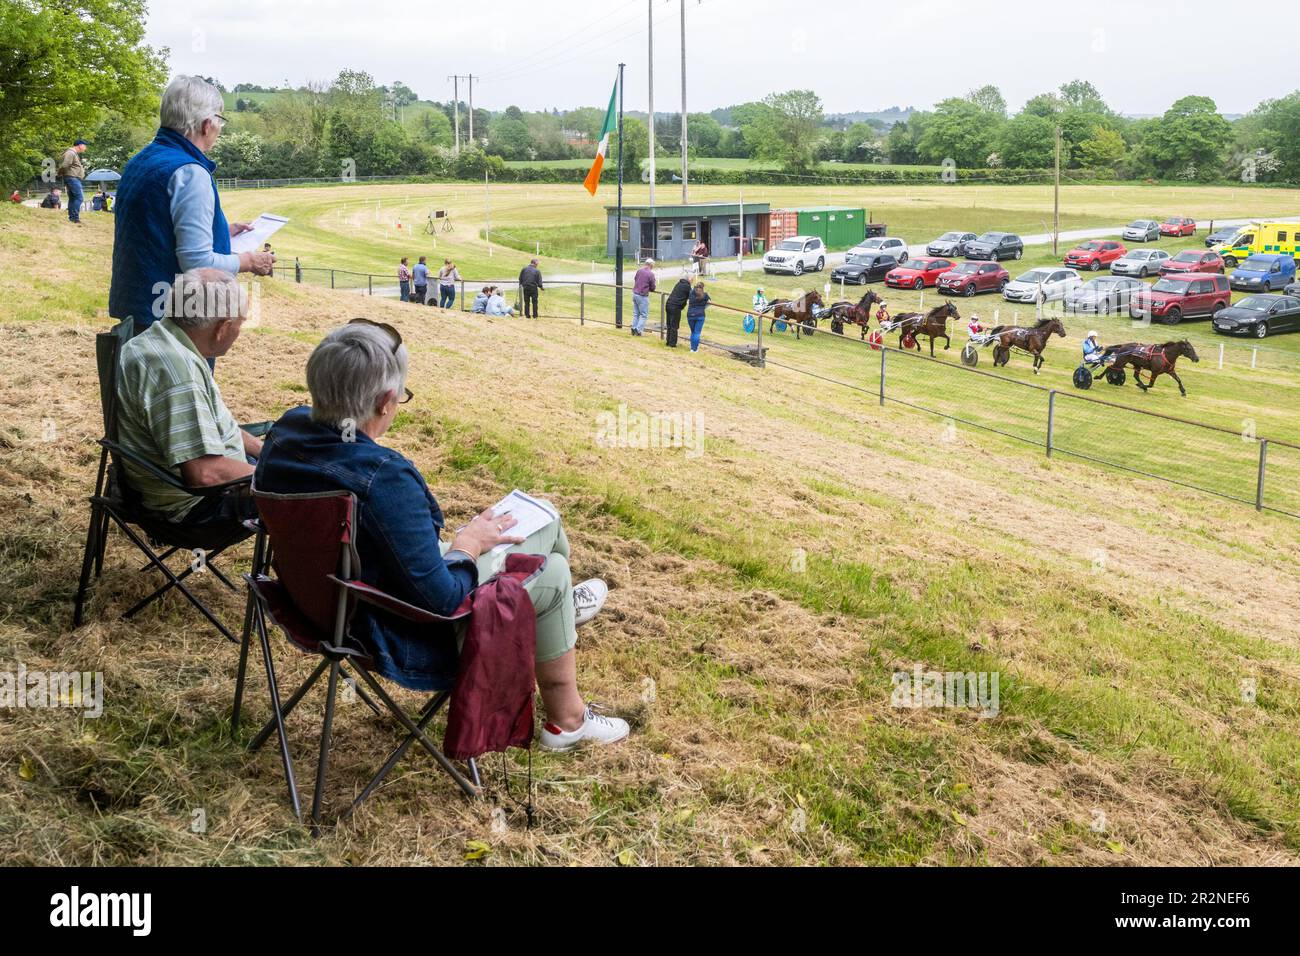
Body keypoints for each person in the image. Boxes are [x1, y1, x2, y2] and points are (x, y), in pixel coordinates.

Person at [253, 321, 629, 751]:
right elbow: (444, 601)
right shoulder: (382, 478)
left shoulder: (287, 433)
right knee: (554, 570)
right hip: (395, 633)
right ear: (385, 402)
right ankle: (568, 720)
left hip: (323, 603)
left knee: (545, 520)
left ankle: (550, 620)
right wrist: (467, 545)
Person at [109, 75, 274, 337]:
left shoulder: (142, 160)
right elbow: (197, 262)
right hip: (171, 326)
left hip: (138, 312)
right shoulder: (189, 172)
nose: (219, 129)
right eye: (220, 121)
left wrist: (223, 231)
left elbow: (156, 227)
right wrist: (249, 261)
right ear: (207, 125)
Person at [115, 268, 263, 530]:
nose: (239, 331)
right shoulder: (177, 373)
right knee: (314, 496)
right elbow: (204, 475)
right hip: (196, 508)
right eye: (240, 323)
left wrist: (267, 454)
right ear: (222, 328)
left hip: (207, 484)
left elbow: (214, 424)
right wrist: (280, 477)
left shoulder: (163, 338)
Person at [58, 139, 88, 224]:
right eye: (85, 145)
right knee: (79, 198)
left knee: (73, 198)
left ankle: (72, 218)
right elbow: (65, 165)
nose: (85, 148)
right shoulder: (70, 153)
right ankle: (75, 218)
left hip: (72, 178)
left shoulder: (72, 153)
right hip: (72, 178)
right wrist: (60, 173)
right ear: (80, 145)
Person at [664, 270, 691, 348]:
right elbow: (692, 296)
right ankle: (672, 344)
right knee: (674, 326)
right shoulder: (687, 286)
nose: (692, 280)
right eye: (691, 278)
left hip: (669, 304)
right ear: (688, 279)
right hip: (675, 307)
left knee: (669, 324)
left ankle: (668, 341)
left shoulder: (679, 284)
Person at [631, 258, 656, 337]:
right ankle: (638, 330)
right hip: (642, 295)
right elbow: (653, 287)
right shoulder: (650, 274)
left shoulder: (639, 271)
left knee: (636, 313)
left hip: (635, 293)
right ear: (651, 265)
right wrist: (650, 289)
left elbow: (635, 279)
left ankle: (633, 327)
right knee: (644, 314)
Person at [686, 281, 710, 353]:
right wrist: (703, 307)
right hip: (700, 315)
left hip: (690, 314)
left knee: (693, 332)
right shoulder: (705, 295)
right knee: (697, 333)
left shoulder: (691, 293)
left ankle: (692, 348)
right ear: (703, 288)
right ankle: (694, 349)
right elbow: (710, 302)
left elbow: (688, 301)